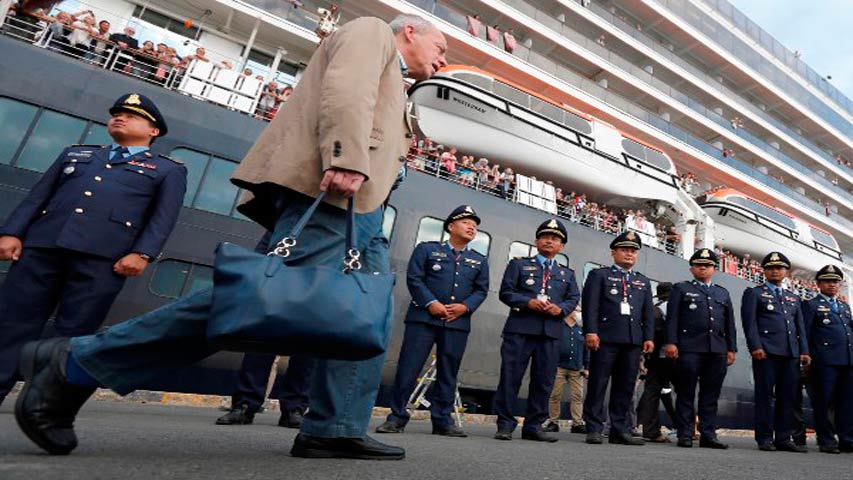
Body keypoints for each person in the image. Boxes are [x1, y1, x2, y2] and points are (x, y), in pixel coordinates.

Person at [12, 14, 448, 460]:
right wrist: (346, 155)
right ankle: (77, 363)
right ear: (410, 31)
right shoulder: (373, 30)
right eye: (440, 48)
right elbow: (348, 88)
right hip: (336, 192)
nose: (442, 60)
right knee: (257, 301)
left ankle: (336, 426)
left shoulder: (398, 77)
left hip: (367, 207)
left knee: (366, 315)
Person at [0, 93, 185, 407]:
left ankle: (43, 403)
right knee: (11, 322)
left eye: (132, 116)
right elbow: (38, 197)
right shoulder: (76, 153)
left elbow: (162, 217)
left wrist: (142, 253)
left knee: (72, 333)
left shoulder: (167, 169)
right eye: (116, 114)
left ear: (153, 131)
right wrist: (11, 232)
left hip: (103, 261)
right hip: (43, 248)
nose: (120, 118)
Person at [376, 205, 489, 437]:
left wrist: (465, 307)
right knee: (409, 368)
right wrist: (431, 303)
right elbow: (415, 279)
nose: (471, 227)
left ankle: (442, 421)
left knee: (448, 372)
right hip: (423, 319)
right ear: (451, 227)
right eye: (466, 222)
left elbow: (481, 290)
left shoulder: (479, 260)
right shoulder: (427, 249)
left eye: (474, 225)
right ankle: (396, 417)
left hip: (457, 323)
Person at [493, 219, 580, 442]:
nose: (550, 241)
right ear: (536, 241)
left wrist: (561, 309)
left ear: (562, 246)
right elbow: (506, 292)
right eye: (545, 237)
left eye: (555, 239)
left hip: (550, 333)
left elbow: (573, 298)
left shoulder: (567, 274)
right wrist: (527, 302)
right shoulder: (519, 265)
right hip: (520, 329)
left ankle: (533, 426)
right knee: (510, 377)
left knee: (544, 381)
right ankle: (505, 425)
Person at [582, 231, 655, 446]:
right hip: (605, 338)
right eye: (624, 250)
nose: (629, 254)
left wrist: (648, 337)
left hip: (632, 341)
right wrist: (590, 331)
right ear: (613, 253)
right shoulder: (599, 275)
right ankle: (594, 428)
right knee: (598, 384)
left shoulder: (642, 281)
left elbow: (647, 313)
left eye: (633, 251)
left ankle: (619, 430)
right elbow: (590, 306)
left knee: (625, 388)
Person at [662, 248, 736, 449]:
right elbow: (672, 318)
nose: (703, 268)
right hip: (689, 348)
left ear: (714, 269)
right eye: (699, 265)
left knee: (710, 395)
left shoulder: (722, 292)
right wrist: (671, 342)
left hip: (717, 350)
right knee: (685, 393)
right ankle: (685, 434)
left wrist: (731, 348)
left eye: (707, 265)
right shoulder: (681, 289)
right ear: (692, 268)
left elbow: (729, 323)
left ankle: (708, 435)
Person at [741, 251, 810, 452]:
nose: (775, 271)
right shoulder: (754, 293)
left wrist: (804, 351)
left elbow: (800, 328)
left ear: (786, 271)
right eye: (770, 268)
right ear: (764, 271)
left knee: (788, 397)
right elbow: (750, 323)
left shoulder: (793, 298)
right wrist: (755, 346)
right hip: (767, 352)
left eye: (779, 268)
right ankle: (764, 438)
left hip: (791, 354)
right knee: (764, 396)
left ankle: (783, 438)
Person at [801, 265, 853, 454]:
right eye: (828, 281)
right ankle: (826, 440)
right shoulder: (810, 305)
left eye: (835, 281)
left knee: (846, 402)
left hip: (847, 361)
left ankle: (847, 439)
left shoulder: (844, 307)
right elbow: (805, 333)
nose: (832, 285)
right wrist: (806, 354)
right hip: (824, 361)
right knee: (823, 401)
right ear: (819, 284)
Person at [635, 282, 676, 443]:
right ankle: (687, 430)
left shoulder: (652, 309)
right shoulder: (672, 307)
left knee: (651, 393)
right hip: (673, 355)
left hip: (654, 356)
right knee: (684, 392)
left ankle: (650, 431)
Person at [543, 305, 588, 434]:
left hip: (576, 368)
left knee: (577, 396)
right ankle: (553, 421)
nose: (579, 313)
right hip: (558, 366)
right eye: (577, 310)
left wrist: (586, 366)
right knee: (555, 395)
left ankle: (577, 423)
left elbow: (586, 349)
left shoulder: (581, 329)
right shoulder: (559, 326)